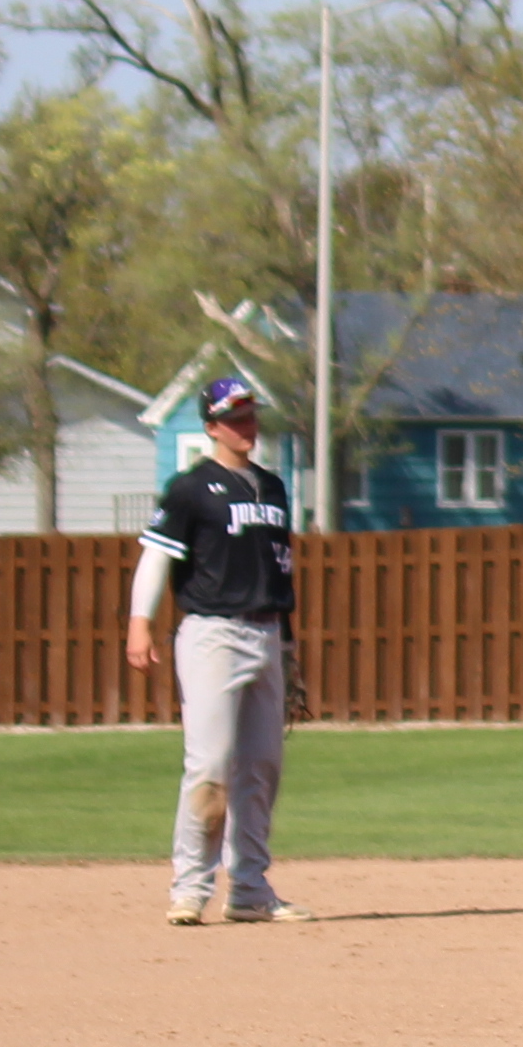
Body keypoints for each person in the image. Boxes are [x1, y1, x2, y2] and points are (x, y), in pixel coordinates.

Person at [126, 375, 308, 927]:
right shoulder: (189, 488)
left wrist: (290, 645)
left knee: (262, 767)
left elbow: (276, 568)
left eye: (250, 415)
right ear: (210, 427)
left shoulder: (273, 487)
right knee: (208, 766)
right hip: (211, 633)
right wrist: (140, 624)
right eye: (233, 417)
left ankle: (250, 888)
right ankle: (190, 888)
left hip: (266, 632)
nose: (245, 425)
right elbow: (156, 558)